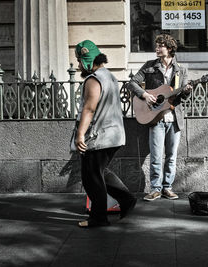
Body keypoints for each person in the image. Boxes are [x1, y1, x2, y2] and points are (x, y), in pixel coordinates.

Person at [74, 40, 137, 227]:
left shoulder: (93, 80)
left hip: (100, 136)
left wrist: (80, 135)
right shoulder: (110, 76)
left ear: (87, 60)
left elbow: (89, 109)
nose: (78, 65)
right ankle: (126, 200)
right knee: (99, 172)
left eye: (79, 61)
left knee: (90, 177)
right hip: (115, 135)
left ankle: (98, 218)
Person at [128, 34, 191, 201]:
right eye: (156, 46)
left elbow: (182, 99)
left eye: (160, 45)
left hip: (174, 118)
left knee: (171, 156)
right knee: (156, 156)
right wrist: (145, 95)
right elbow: (132, 83)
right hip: (155, 118)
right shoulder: (150, 66)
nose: (156, 48)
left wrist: (186, 92)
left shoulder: (181, 70)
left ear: (169, 48)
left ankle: (167, 188)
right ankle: (155, 188)